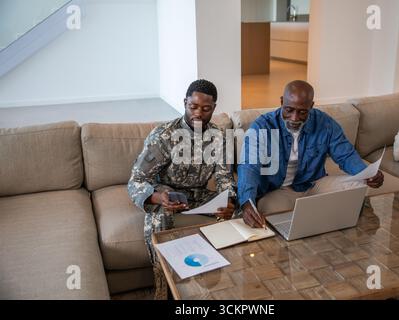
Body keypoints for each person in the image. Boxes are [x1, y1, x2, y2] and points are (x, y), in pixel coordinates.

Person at [128, 79, 236, 296]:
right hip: (167, 192)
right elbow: (136, 180)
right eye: (192, 106)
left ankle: (227, 285)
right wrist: (158, 198)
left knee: (240, 212)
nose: (198, 113)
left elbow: (225, 178)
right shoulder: (164, 136)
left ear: (214, 108)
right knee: (159, 217)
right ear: (185, 102)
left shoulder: (220, 137)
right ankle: (163, 289)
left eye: (205, 109)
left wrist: (230, 202)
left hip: (198, 194)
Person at [238, 80, 384, 228]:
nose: (294, 118)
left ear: (311, 106)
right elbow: (249, 167)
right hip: (279, 191)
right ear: (282, 102)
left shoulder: (324, 123)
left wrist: (368, 173)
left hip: (313, 184)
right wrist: (246, 202)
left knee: (358, 185)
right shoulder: (262, 126)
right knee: (266, 213)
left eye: (302, 112)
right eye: (289, 110)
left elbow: (345, 155)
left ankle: (326, 227)